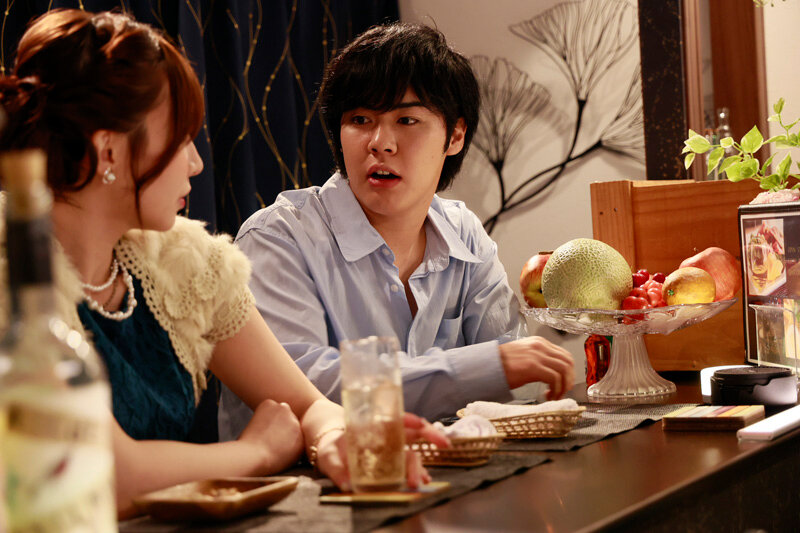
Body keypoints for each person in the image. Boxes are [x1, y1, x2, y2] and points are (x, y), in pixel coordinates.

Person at [0, 9, 447, 517]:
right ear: (109, 152)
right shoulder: (16, 278)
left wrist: (334, 438)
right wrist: (255, 453)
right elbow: (99, 473)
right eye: (181, 139)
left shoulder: (184, 263)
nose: (196, 163)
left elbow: (307, 405)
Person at [219, 22, 574, 438]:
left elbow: (521, 383)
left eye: (406, 119)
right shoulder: (278, 237)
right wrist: (486, 367)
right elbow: (307, 391)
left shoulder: (464, 232)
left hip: (449, 469)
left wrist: (505, 366)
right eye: (360, 119)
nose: (380, 142)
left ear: (455, 135)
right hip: (311, 475)